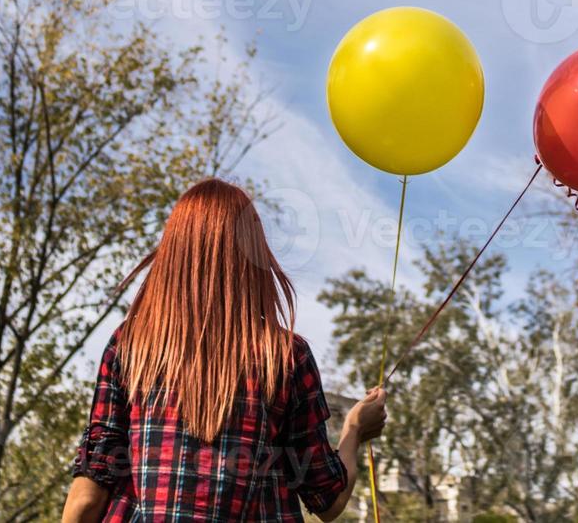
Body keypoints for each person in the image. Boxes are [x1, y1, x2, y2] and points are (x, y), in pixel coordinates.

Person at [62, 178, 388, 522]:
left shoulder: (131, 346)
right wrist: (353, 429)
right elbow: (328, 499)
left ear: (173, 253)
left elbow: (87, 496)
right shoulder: (286, 357)